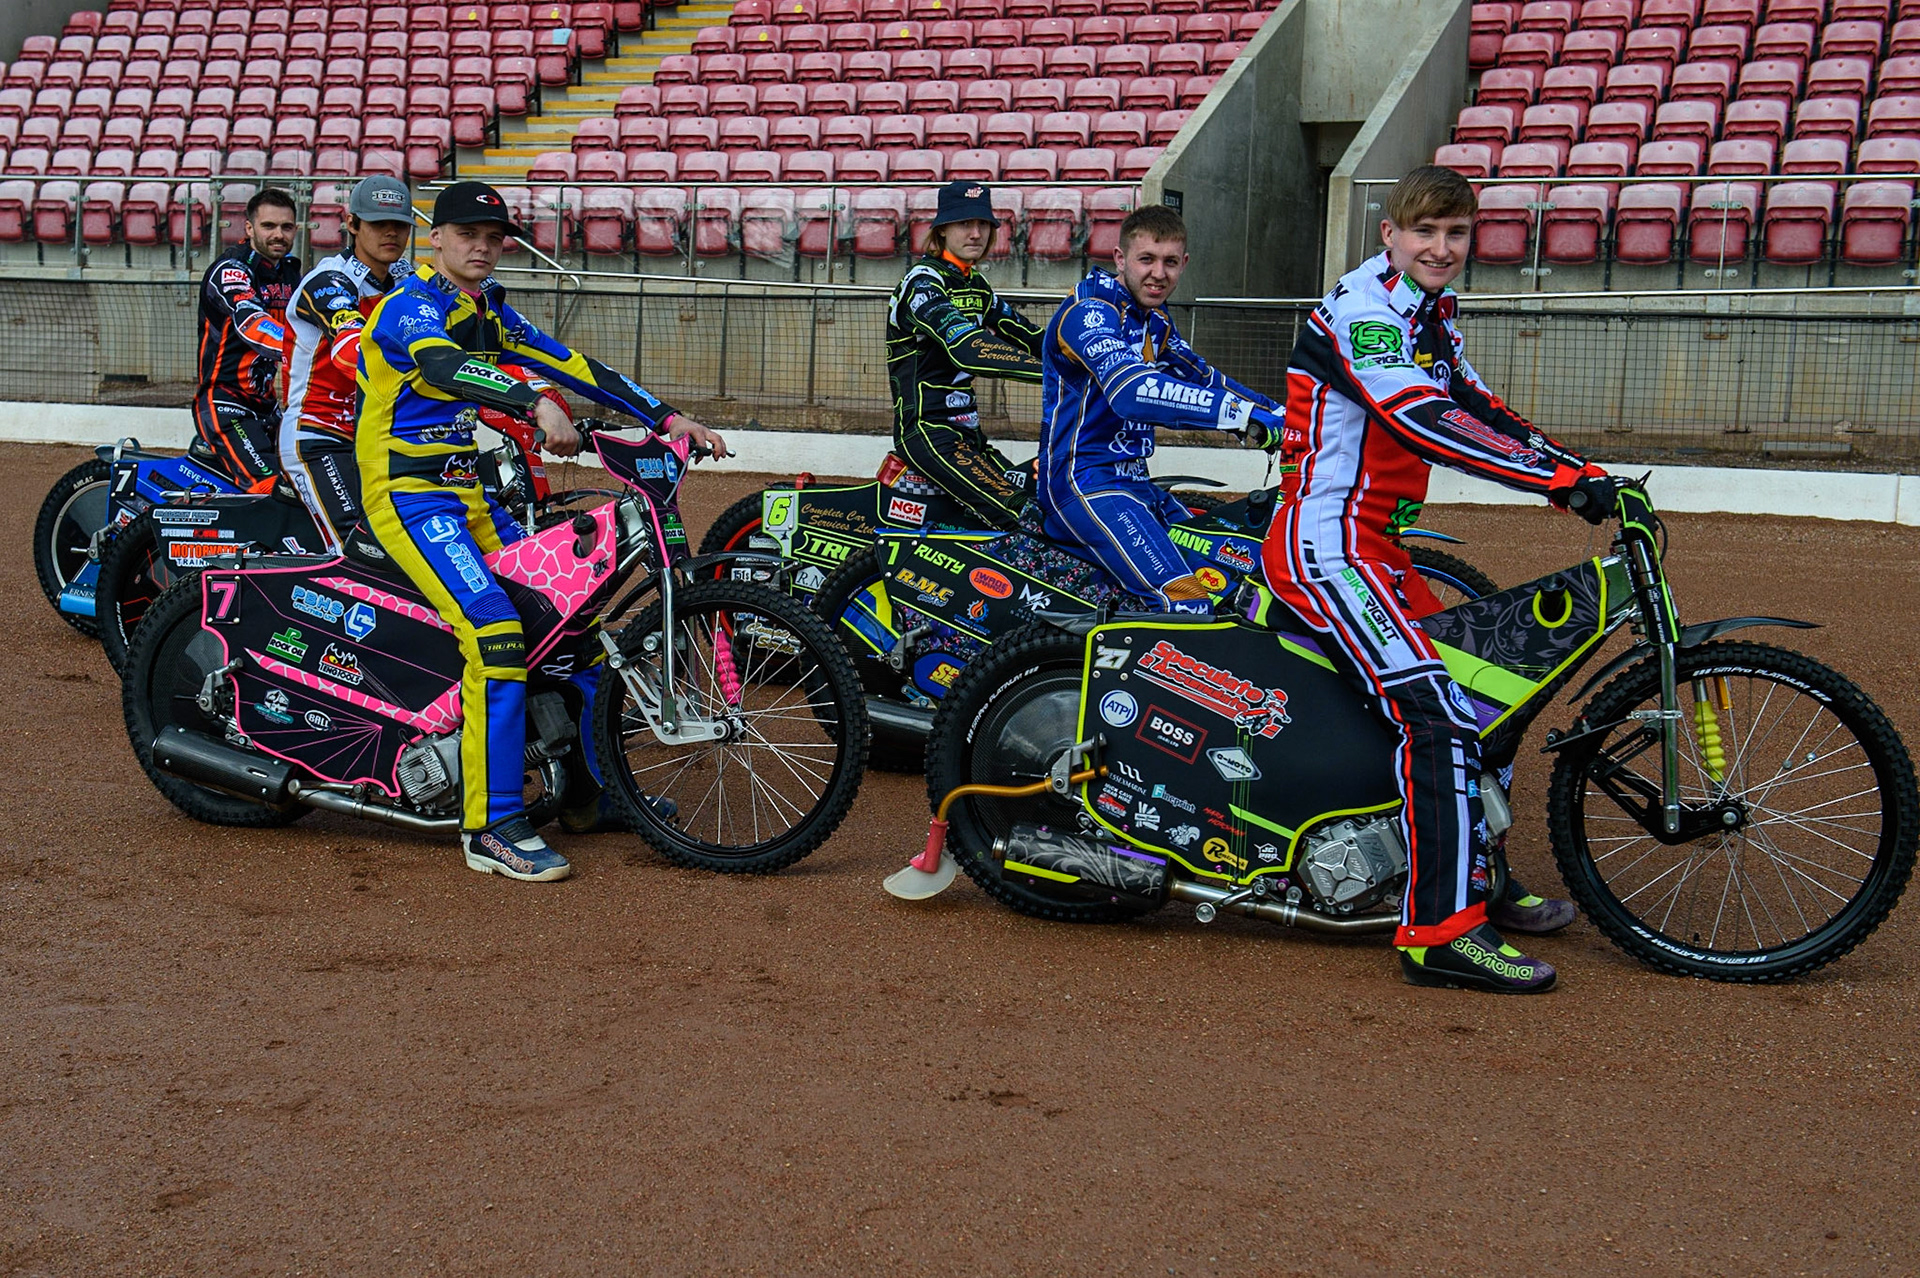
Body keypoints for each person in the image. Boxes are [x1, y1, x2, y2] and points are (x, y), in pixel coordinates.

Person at [1259, 165, 1614, 994]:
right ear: (1390, 234)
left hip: (1377, 549)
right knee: (1443, 716)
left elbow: (1479, 406)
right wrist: (1556, 485)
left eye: (1456, 234)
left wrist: (1579, 468)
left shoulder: (1428, 312)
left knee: (1490, 698)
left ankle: (1474, 878)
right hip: (1326, 550)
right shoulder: (1364, 310)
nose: (1442, 247)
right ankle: (1441, 931)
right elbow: (1418, 415)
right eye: (1426, 232)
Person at [357, 181, 727, 883]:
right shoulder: (409, 308)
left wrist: (667, 417)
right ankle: (491, 824)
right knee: (496, 636)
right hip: (406, 497)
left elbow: (576, 366)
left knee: (573, 628)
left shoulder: (489, 310)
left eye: (495, 238)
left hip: (468, 495)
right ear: (435, 238)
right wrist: (530, 402)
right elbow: (442, 365)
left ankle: (590, 797)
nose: (483, 248)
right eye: (467, 234)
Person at [1037, 204, 1281, 611]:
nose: (1158, 273)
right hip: (1085, 483)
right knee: (1188, 603)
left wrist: (1288, 418)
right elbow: (1130, 391)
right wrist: (1241, 417)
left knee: (1227, 579)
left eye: (1170, 262)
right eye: (1146, 259)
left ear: (1184, 264)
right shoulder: (1090, 311)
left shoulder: (1154, 319)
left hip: (1138, 485)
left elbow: (1205, 380)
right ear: (1120, 258)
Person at [884, 181, 1045, 530]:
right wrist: (1053, 374)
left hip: (969, 436)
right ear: (942, 230)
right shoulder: (923, 283)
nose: (976, 233)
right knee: (1021, 514)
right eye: (964, 224)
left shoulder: (976, 285)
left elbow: (1031, 336)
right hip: (929, 433)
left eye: (984, 224)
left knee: (1043, 494)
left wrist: (1097, 360)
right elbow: (967, 348)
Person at [278, 176, 416, 550]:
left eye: (400, 225)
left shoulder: (409, 279)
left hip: (379, 438)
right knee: (360, 549)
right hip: (319, 435)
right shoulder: (329, 280)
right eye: (377, 224)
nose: (391, 233)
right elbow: (351, 349)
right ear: (352, 224)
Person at [194, 188, 301, 492]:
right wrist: (302, 348)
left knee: (311, 471)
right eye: (269, 226)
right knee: (271, 488)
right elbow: (251, 323)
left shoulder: (291, 274)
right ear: (250, 228)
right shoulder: (232, 270)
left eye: (287, 227)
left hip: (269, 408)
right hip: (225, 403)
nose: (278, 234)